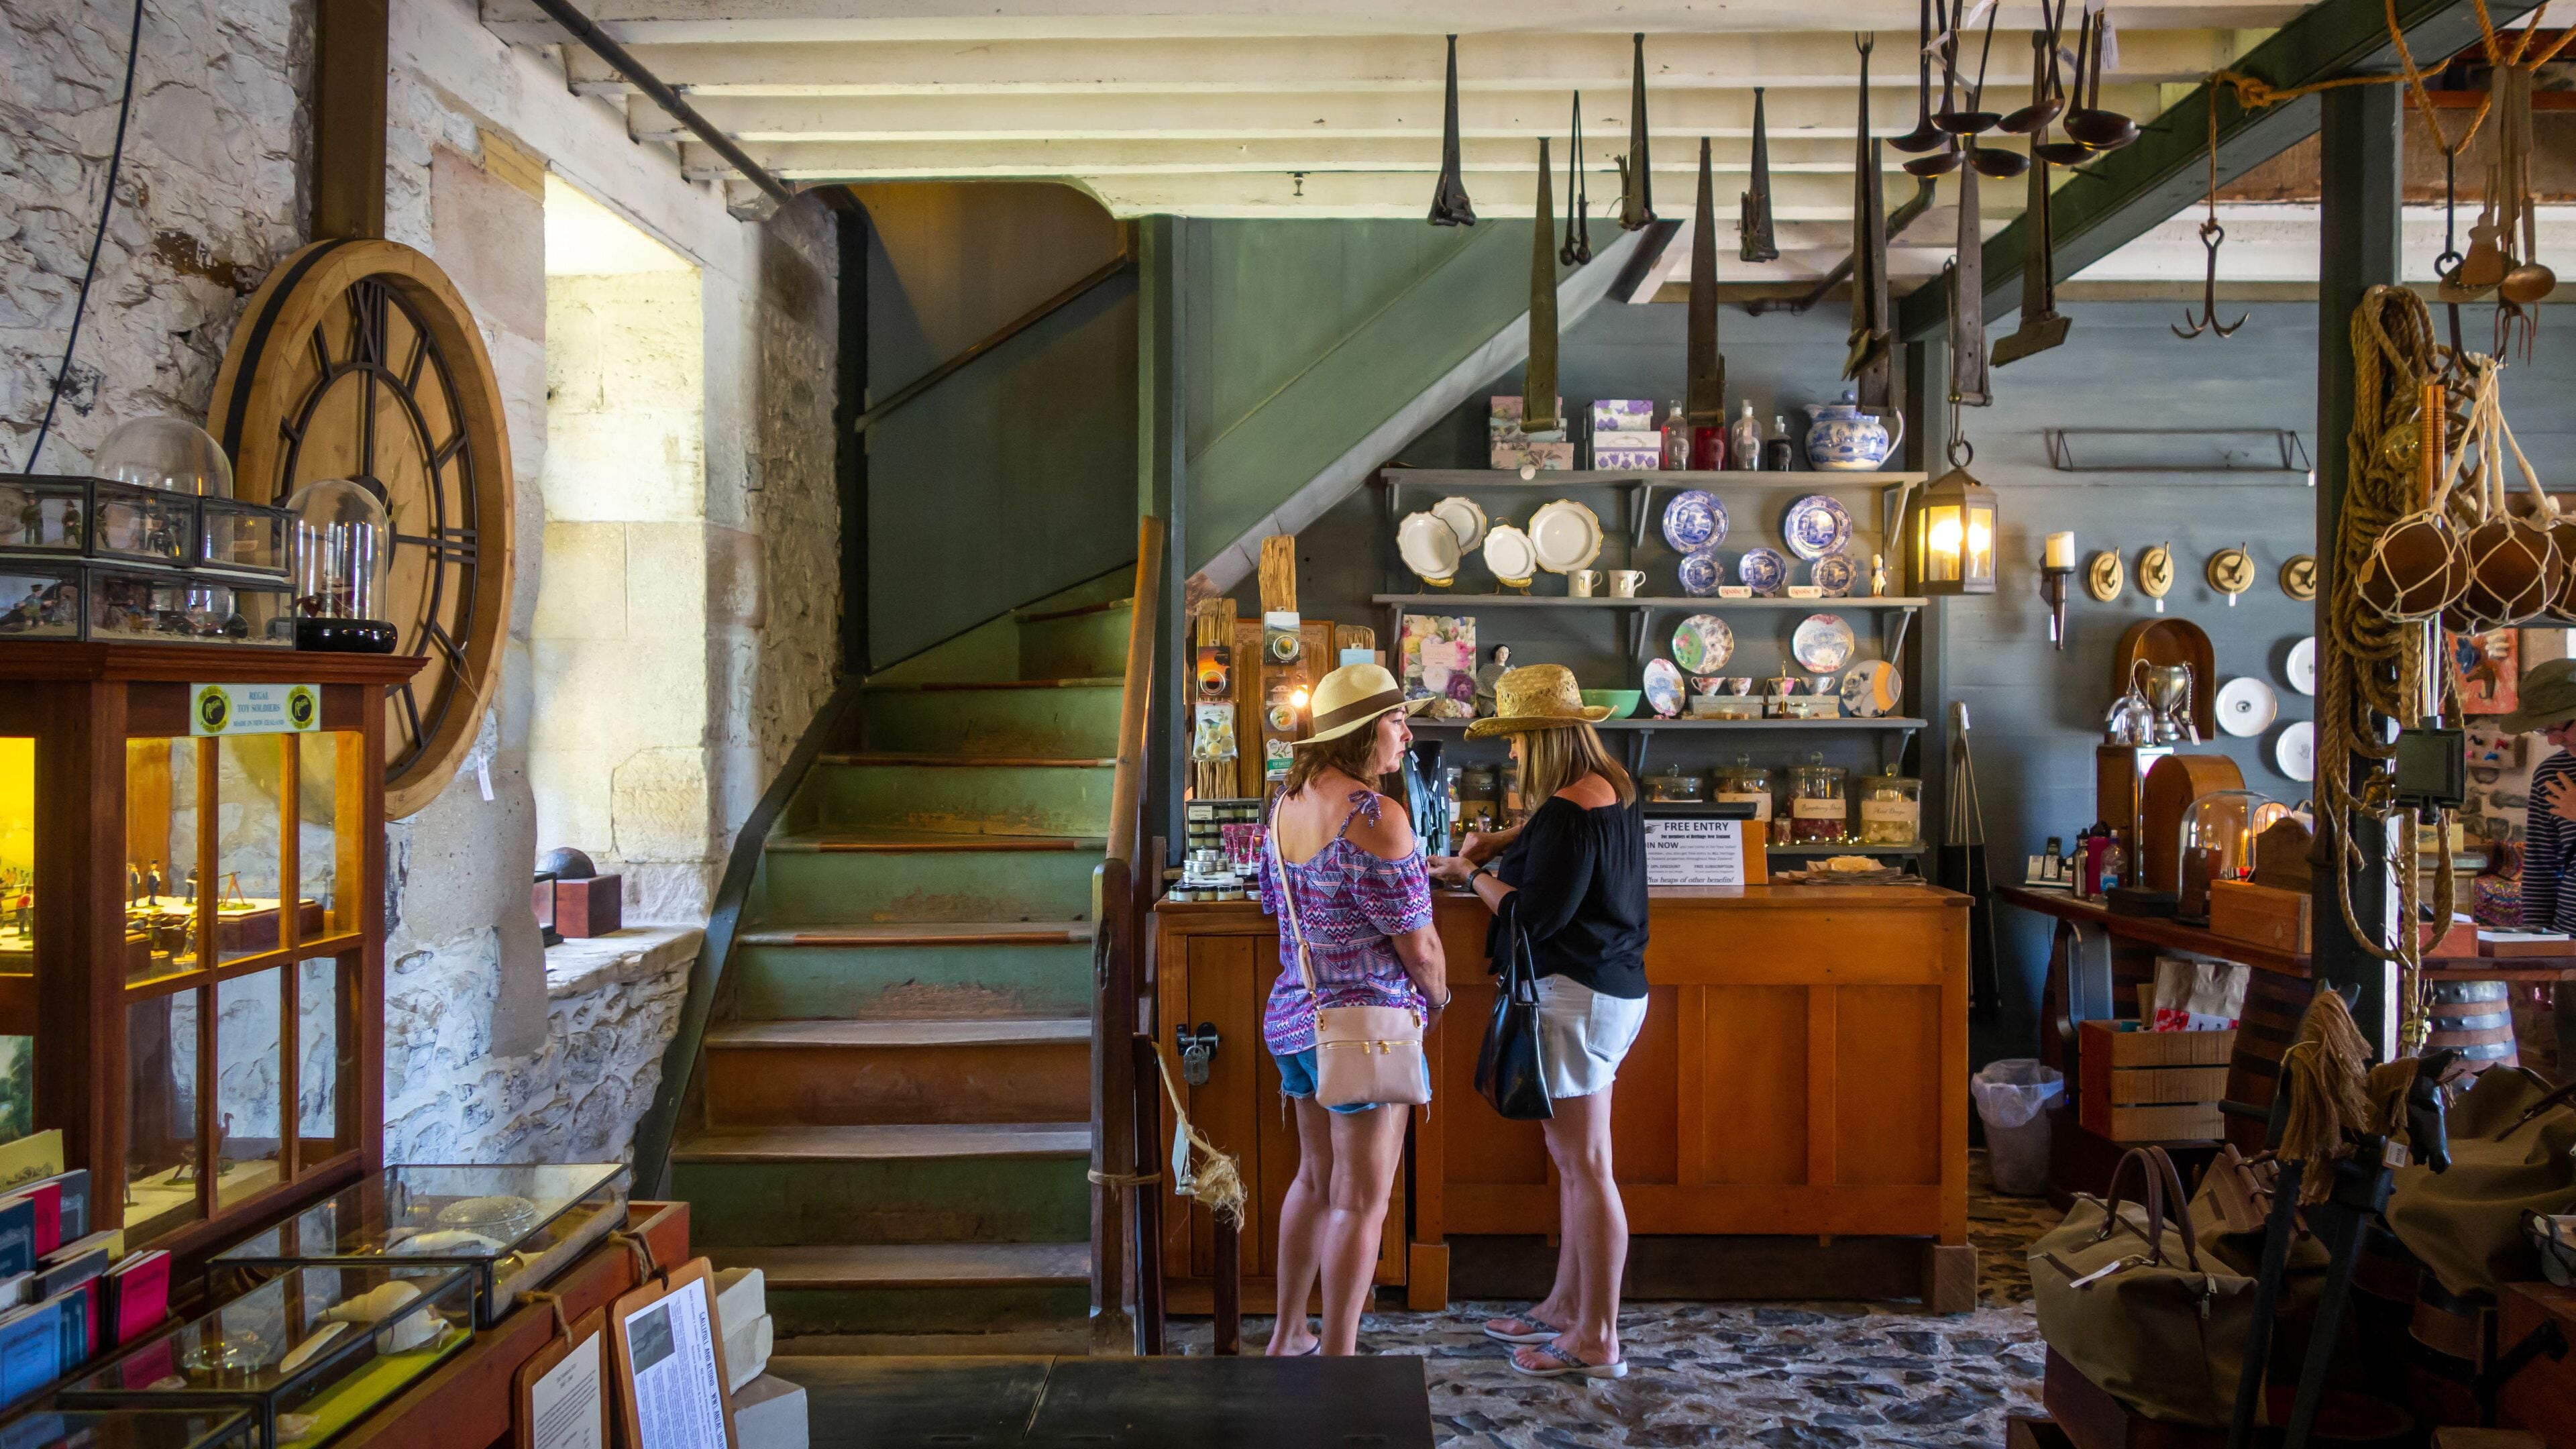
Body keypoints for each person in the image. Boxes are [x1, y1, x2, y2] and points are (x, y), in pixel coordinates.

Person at [1428, 663, 1648, 1381]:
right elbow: (1561, 850)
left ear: (1544, 738)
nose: (1513, 752)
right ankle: (1564, 1308)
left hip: (1576, 995)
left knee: (1587, 1169)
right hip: (1610, 989)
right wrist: (1501, 842)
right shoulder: (1611, 786)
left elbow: (1531, 914)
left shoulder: (1565, 810)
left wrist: (1470, 876)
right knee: (1579, 1165)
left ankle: (1598, 1339)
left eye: (1519, 739)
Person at [1256, 661, 1447, 1357]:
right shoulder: (1375, 816)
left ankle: (1288, 1336)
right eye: (1397, 720)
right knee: (1361, 1201)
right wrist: (1439, 998)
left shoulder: (1286, 804)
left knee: (1314, 1180)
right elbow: (1420, 948)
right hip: (1365, 1034)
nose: (1407, 735)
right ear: (1366, 732)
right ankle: (1337, 1363)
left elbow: (1275, 906)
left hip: (1296, 1017)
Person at [2508, 659, 2576, 934]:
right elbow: (2541, 868)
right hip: (2567, 938)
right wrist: (2535, 941)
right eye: (2544, 730)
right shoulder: (2552, 774)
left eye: (2559, 728)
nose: (2553, 741)